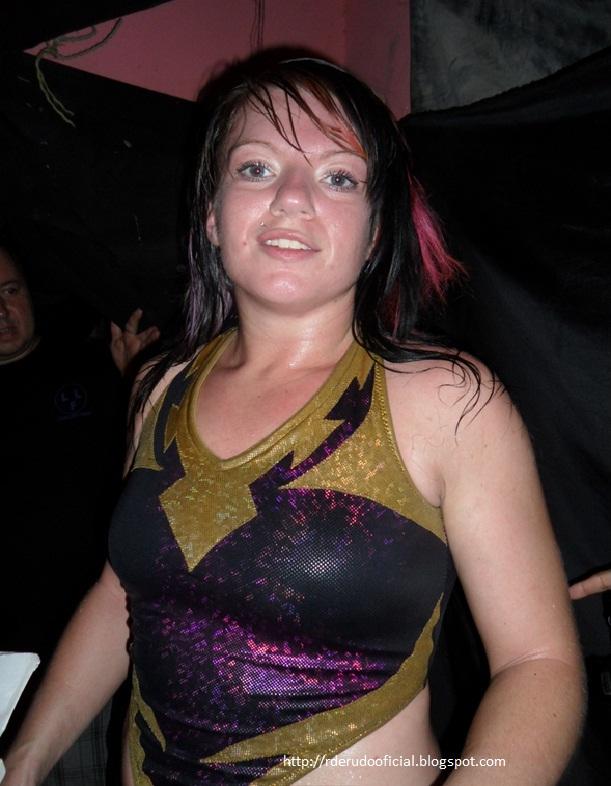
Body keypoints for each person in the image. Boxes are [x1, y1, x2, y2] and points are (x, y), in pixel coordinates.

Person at [2, 57, 584, 786]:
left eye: (338, 177)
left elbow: (538, 664)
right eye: (256, 168)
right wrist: (24, 759)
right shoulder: (160, 387)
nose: (292, 197)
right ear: (211, 214)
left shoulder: (447, 402)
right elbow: (123, 594)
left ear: (376, 230)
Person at [0, 243, 158, 785]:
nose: (3, 311)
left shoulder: (91, 367)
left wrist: (135, 377)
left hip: (80, 648)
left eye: (11, 291)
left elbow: (151, 471)